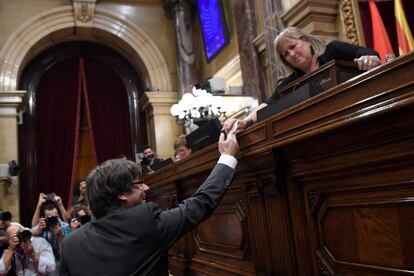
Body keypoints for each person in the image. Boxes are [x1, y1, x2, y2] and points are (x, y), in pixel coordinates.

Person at [60, 131, 239, 276]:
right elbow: (200, 204)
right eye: (139, 183)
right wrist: (227, 158)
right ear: (122, 194)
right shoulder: (145, 222)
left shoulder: (70, 244)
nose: (146, 187)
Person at [223, 26, 381, 133]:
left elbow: (367, 53)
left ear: (306, 40)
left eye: (293, 47)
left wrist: (370, 59)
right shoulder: (290, 83)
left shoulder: (333, 50)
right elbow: (268, 105)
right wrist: (245, 121)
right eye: (285, 54)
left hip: (359, 117)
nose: (291, 54)